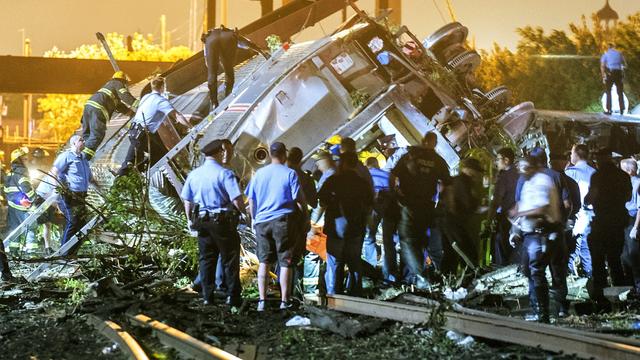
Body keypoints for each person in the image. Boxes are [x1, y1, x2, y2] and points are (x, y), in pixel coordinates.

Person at [181, 139, 245, 306]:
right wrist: (244, 213)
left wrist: (189, 220)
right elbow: (236, 199)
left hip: (202, 220)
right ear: (219, 153)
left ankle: (207, 296)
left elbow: (187, 200)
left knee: (206, 258)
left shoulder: (194, 175)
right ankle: (233, 295)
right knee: (229, 257)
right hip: (222, 221)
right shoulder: (225, 174)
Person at [245, 142, 305, 311]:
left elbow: (251, 198)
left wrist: (254, 218)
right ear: (284, 155)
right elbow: (299, 201)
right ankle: (284, 301)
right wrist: (304, 219)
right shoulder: (290, 173)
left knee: (264, 262)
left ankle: (262, 301)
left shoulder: (258, 174)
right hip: (282, 222)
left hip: (262, 222)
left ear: (270, 154)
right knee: (286, 262)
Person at [390, 132, 451, 288]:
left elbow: (393, 175)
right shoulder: (438, 161)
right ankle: (428, 274)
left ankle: (418, 276)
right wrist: (441, 202)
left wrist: (396, 193)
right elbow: (445, 183)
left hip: (409, 205)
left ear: (423, 140)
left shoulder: (410, 156)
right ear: (434, 143)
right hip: (427, 206)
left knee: (408, 240)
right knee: (424, 241)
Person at [511, 153, 562, 323]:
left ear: (532, 166)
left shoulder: (542, 180)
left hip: (542, 233)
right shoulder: (527, 182)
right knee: (528, 269)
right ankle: (537, 308)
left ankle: (543, 312)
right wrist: (517, 227)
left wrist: (520, 213)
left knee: (536, 271)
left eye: (524, 166)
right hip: (530, 233)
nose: (520, 170)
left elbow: (542, 208)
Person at [319, 152, 373, 296]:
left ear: (342, 164)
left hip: (336, 229)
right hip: (356, 229)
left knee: (334, 263)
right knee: (354, 263)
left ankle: (334, 295)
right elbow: (369, 205)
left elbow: (322, 201)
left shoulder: (333, 181)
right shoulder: (363, 183)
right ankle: (355, 295)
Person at [585, 148, 631, 310]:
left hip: (602, 223)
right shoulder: (623, 176)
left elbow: (590, 197)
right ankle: (620, 300)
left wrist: (588, 200)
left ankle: (601, 300)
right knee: (615, 261)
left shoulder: (597, 176)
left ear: (601, 159)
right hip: (618, 223)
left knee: (598, 262)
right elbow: (628, 197)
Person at [116, 76, 191, 176]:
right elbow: (177, 116)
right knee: (161, 156)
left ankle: (125, 176)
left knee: (131, 161)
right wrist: (191, 127)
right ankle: (138, 174)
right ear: (163, 87)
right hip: (142, 135)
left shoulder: (145, 97)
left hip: (133, 132)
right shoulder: (160, 101)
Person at [201, 26, 267, 109]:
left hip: (213, 40)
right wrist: (262, 52)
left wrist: (213, 67)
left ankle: (214, 103)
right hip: (228, 38)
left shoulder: (209, 38)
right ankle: (226, 98)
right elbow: (247, 43)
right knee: (229, 72)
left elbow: (207, 61)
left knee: (212, 74)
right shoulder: (230, 34)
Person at [51, 135, 95, 249]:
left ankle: (73, 250)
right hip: (71, 195)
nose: (84, 141)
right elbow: (54, 172)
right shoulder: (66, 156)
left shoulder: (83, 158)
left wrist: (101, 189)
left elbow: (90, 178)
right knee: (73, 221)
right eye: (81, 140)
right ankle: (64, 251)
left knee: (82, 222)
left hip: (82, 196)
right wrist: (57, 189)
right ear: (74, 143)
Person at [440, 158, 484, 274]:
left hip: (446, 222)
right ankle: (471, 278)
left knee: (450, 255)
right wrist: (485, 207)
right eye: (477, 171)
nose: (478, 175)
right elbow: (469, 204)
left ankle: (446, 280)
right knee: (468, 252)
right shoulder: (464, 182)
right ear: (470, 170)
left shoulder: (454, 180)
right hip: (454, 223)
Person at [81, 71, 137, 160]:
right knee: (97, 135)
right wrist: (138, 104)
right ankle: (85, 159)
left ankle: (79, 152)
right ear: (123, 80)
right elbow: (125, 95)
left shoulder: (109, 87)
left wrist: (131, 114)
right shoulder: (118, 83)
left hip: (88, 107)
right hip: (98, 109)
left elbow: (119, 106)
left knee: (87, 134)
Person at [363, 157, 400, 282]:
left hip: (372, 209)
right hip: (388, 208)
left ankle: (370, 269)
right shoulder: (389, 176)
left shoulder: (366, 175)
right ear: (377, 164)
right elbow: (395, 192)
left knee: (369, 238)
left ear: (367, 165)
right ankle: (389, 274)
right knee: (388, 242)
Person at [286, 147, 315, 295]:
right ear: (301, 159)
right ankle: (295, 292)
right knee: (297, 258)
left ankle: (283, 292)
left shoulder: (280, 175)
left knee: (282, 257)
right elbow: (313, 202)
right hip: (298, 221)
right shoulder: (306, 178)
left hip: (280, 221)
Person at [565, 144, 596, 278]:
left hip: (578, 214)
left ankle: (569, 273)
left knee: (573, 244)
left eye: (572, 153)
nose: (571, 156)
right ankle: (588, 273)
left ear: (576, 155)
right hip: (593, 214)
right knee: (586, 245)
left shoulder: (571, 172)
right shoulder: (594, 172)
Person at [3, 147, 37, 256]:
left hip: (13, 205)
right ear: (19, 159)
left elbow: (5, 190)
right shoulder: (22, 171)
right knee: (31, 226)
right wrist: (33, 198)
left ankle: (14, 251)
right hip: (24, 206)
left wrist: (12, 200)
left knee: (14, 228)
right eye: (24, 157)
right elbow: (26, 187)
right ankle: (31, 251)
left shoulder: (10, 173)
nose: (27, 159)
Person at [489, 147, 520, 266]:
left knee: (501, 246)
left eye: (498, 159)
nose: (496, 162)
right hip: (517, 217)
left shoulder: (504, 177)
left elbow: (496, 201)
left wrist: (489, 220)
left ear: (506, 160)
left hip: (505, 217)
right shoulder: (518, 174)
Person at [621, 158, 640, 298]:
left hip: (633, 220)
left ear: (630, 171)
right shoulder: (625, 183)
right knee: (625, 255)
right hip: (626, 219)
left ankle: (638, 286)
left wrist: (636, 227)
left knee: (634, 255)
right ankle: (630, 286)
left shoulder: (637, 183)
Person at [601, 43, 626, 115]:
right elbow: (625, 65)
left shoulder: (605, 55)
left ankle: (609, 110)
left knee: (608, 91)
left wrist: (603, 76)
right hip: (619, 73)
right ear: (613, 47)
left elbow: (602, 66)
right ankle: (622, 109)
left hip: (610, 73)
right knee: (620, 92)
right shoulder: (619, 54)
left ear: (607, 48)